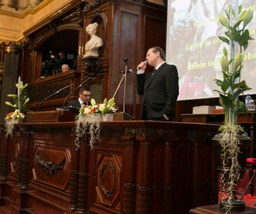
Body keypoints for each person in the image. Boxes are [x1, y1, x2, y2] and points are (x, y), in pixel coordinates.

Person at [137, 46, 179, 121]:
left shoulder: (169, 69)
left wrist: (166, 113)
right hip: (147, 116)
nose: (146, 58)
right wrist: (141, 72)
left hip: (161, 115)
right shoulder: (150, 75)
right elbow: (140, 91)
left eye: (148, 55)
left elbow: (173, 93)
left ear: (157, 54)